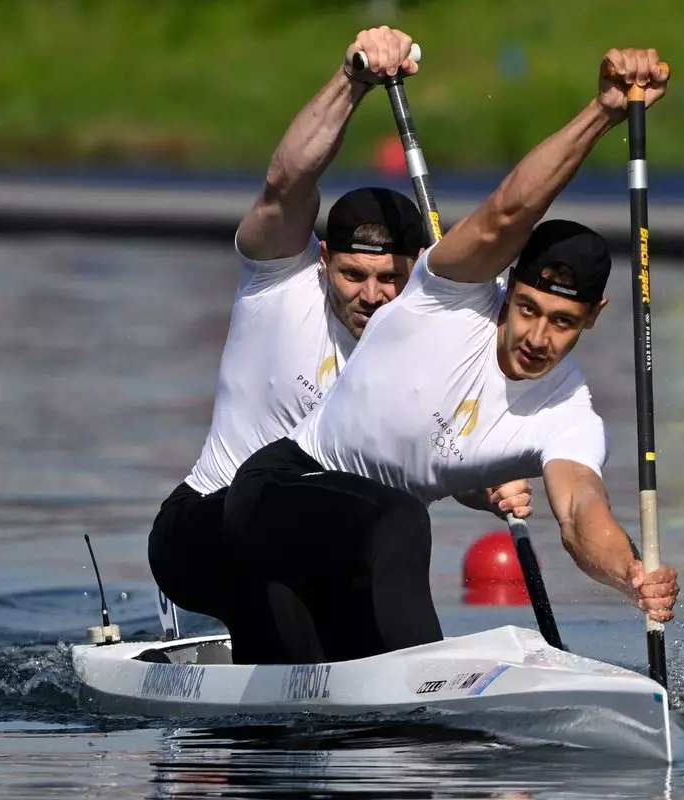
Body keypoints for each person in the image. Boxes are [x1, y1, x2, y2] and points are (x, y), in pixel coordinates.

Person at [222, 47, 682, 665]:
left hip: (361, 544)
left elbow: (579, 513)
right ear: (507, 287)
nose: (537, 338)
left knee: (382, 561)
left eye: (563, 322)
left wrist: (630, 574)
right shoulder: (449, 291)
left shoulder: (569, 413)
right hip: (277, 491)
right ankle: (425, 699)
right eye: (527, 308)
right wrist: (603, 112)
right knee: (404, 523)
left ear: (593, 319)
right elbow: (509, 211)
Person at [147, 26, 531, 664]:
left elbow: (433, 458)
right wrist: (351, 81)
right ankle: (412, 709)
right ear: (323, 261)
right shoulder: (280, 282)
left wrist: (483, 484)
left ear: (419, 272)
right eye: (352, 275)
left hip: (319, 548)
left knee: (352, 589)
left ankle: (386, 714)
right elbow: (285, 182)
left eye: (390, 279)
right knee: (387, 532)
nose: (371, 296)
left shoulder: (439, 336)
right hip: (207, 527)